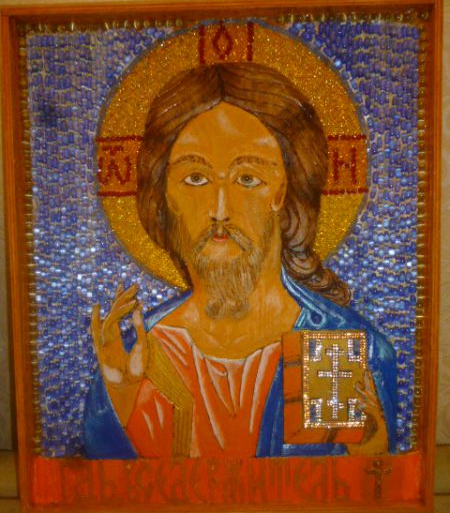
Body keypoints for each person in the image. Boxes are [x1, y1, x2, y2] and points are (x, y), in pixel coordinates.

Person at [84, 63, 397, 459]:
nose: (220, 211)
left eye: (247, 179)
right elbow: (102, 478)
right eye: (195, 179)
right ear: (166, 195)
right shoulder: (136, 355)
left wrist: (369, 454)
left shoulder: (329, 342)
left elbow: (339, 483)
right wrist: (120, 402)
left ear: (283, 192)